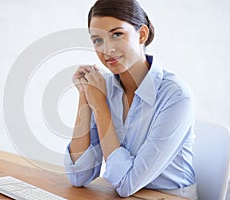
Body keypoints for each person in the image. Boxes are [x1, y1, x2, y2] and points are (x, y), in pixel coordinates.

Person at [64, 0, 198, 199]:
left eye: (117, 34)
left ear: (142, 34)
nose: (107, 49)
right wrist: (85, 95)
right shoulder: (104, 87)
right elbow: (79, 176)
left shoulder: (176, 96)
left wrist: (100, 107)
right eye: (97, 40)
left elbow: (127, 184)